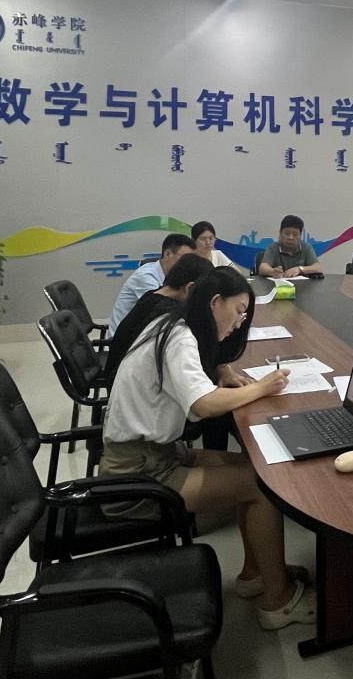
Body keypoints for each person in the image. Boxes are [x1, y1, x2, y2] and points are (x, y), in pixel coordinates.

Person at [100, 266, 316, 630]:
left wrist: (222, 371)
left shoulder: (173, 324)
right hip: (138, 475)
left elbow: (194, 380)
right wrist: (262, 387)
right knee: (262, 486)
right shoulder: (178, 338)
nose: (240, 321)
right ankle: (278, 602)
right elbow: (203, 404)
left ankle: (255, 574)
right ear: (216, 303)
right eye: (239, 311)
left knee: (253, 465)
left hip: (155, 453)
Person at [106, 253, 213, 373]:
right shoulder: (167, 312)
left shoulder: (153, 296)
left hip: (121, 370)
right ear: (190, 288)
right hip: (124, 376)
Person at [109, 233, 194, 332]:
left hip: (146, 329)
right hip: (125, 336)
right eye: (184, 258)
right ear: (167, 254)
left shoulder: (171, 276)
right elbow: (163, 309)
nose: (188, 264)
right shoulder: (146, 276)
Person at [258, 215, 324, 278]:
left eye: (295, 234)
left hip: (301, 285)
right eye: (287, 233)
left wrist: (300, 269)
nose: (290, 237)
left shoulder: (306, 247)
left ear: (300, 235)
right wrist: (272, 272)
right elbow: (263, 267)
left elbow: (318, 267)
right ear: (280, 233)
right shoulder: (273, 247)